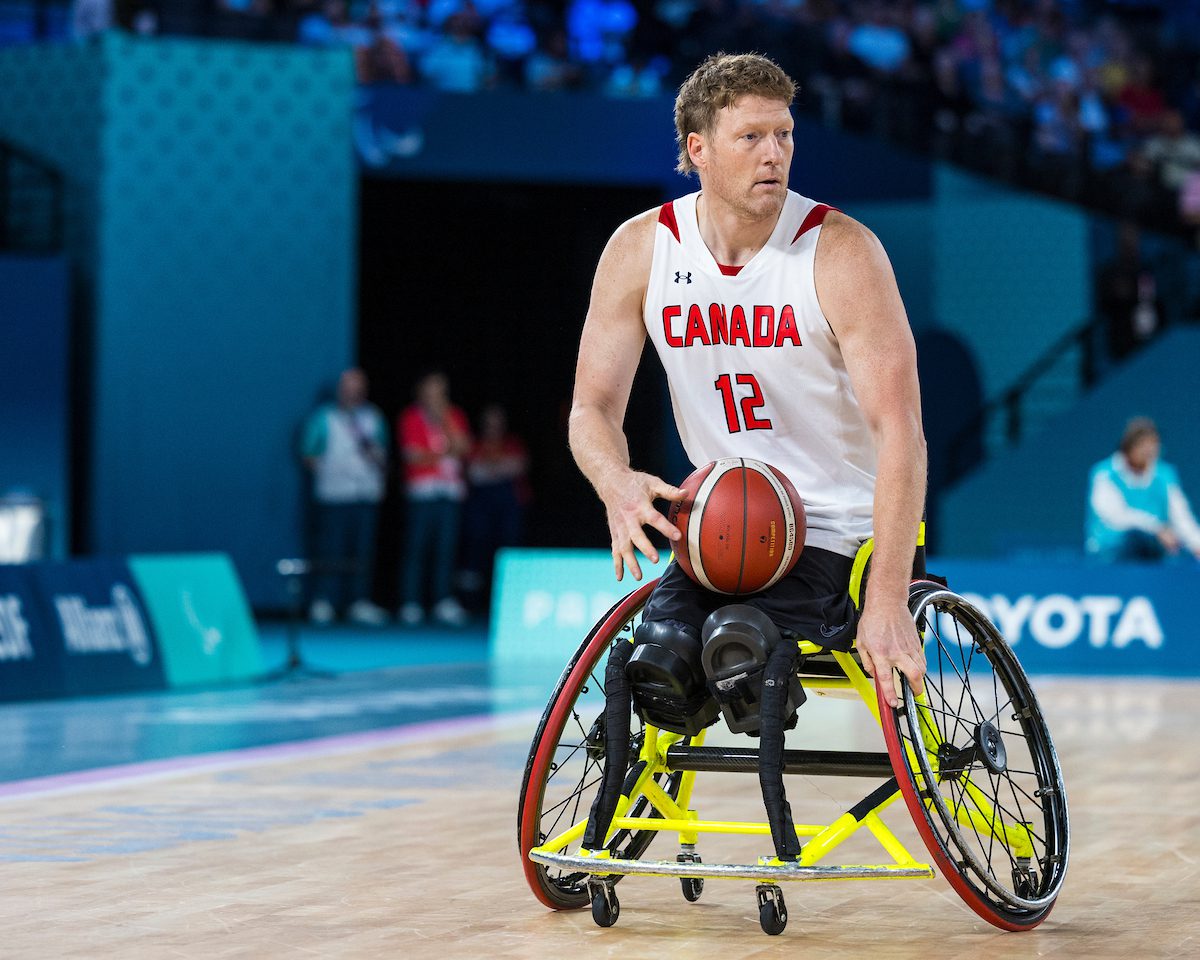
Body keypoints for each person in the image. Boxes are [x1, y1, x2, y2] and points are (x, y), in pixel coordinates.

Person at [568, 52, 927, 709]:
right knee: (656, 668)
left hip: (837, 532)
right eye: (752, 137)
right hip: (719, 527)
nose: (775, 154)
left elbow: (900, 429)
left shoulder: (842, 252)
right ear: (698, 149)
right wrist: (614, 483)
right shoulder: (641, 249)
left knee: (739, 652)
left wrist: (888, 597)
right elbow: (590, 408)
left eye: (784, 134)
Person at [300, 368, 390, 625]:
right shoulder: (323, 418)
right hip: (334, 495)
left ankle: (358, 602)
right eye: (347, 387)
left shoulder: (373, 418)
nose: (352, 393)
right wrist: (331, 471)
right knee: (331, 550)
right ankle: (324, 601)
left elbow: (383, 452)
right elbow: (308, 452)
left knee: (361, 551)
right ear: (340, 390)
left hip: (365, 493)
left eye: (357, 388)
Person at [397, 371, 472, 626]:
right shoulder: (411, 417)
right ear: (422, 392)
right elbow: (412, 456)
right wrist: (442, 454)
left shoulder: (453, 415)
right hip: (422, 492)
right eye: (431, 391)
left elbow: (463, 447)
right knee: (417, 548)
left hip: (449, 491)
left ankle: (442, 600)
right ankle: (411, 602)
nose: (436, 396)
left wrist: (444, 423)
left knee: (445, 549)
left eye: (440, 391)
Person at [1085, 417, 1200, 563]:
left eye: (1153, 446)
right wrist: (1157, 529)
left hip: (1152, 554)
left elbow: (1181, 517)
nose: (1149, 452)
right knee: (1134, 539)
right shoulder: (1104, 473)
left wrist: (1197, 544)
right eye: (1143, 446)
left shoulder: (1164, 475)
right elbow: (1116, 516)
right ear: (1129, 446)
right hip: (1109, 557)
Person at [460, 404, 530, 601]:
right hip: (481, 507)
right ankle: (471, 601)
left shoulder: (512, 443)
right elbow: (474, 473)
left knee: (508, 547)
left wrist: (491, 469)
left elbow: (518, 466)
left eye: (497, 423)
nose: (493, 427)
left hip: (508, 507)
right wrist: (500, 468)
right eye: (489, 423)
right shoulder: (476, 445)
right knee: (476, 548)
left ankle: (509, 597)